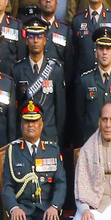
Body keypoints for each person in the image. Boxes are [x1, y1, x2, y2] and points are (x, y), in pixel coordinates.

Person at [13, 18, 68, 147]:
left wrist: (56, 135)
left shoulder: (55, 70)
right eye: (31, 36)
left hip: (49, 136)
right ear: (26, 40)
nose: (35, 40)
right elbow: (16, 110)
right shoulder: (17, 70)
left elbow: (60, 111)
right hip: (25, 136)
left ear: (45, 40)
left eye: (39, 36)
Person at [74, 26, 111, 146]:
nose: (105, 52)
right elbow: (80, 118)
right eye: (101, 48)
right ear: (96, 52)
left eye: (108, 48)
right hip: (92, 143)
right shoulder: (86, 80)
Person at [34, 0, 71, 64]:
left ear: (56, 4)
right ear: (39, 4)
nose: (48, 1)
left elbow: (69, 63)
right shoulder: (30, 28)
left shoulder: (65, 30)